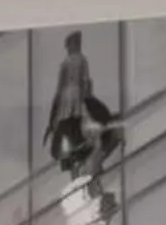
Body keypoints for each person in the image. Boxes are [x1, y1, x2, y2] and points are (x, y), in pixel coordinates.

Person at [45, 32, 121, 196]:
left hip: (67, 102)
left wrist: (54, 116)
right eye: (75, 43)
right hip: (76, 98)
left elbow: (61, 88)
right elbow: (86, 81)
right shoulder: (80, 59)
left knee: (72, 130)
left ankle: (76, 165)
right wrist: (88, 98)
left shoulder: (66, 63)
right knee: (82, 124)